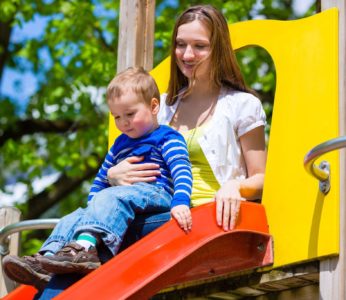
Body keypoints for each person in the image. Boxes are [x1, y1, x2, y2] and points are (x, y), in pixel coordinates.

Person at [26, 4, 266, 299]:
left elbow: (261, 179)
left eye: (199, 46)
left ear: (218, 49)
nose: (187, 55)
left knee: (96, 233)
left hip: (198, 215)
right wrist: (114, 175)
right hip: (150, 207)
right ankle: (44, 266)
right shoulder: (162, 105)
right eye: (180, 44)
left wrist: (235, 185)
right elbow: (129, 153)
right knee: (84, 223)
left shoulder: (241, 105)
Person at [3, 67, 193, 290]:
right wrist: (91, 209)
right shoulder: (119, 144)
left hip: (156, 194)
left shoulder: (166, 137)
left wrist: (180, 201)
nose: (123, 123)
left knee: (110, 197)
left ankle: (84, 250)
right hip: (123, 197)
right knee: (75, 215)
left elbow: (181, 169)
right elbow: (102, 179)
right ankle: (47, 259)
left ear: (153, 106)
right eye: (117, 117)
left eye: (130, 114)